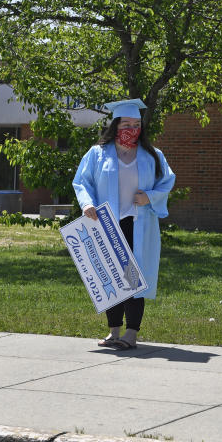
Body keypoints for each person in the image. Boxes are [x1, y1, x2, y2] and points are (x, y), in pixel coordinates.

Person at [72, 99, 175, 350]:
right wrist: (86, 204)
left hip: (137, 225)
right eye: (126, 123)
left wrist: (149, 197)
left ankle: (131, 333)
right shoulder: (97, 153)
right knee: (109, 276)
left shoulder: (152, 155)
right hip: (107, 224)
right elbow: (82, 182)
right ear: (116, 125)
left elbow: (168, 181)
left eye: (136, 124)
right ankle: (113, 331)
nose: (132, 128)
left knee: (133, 278)